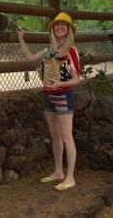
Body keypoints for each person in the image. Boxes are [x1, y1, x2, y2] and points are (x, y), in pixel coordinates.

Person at [17, 12, 80, 191]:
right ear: (53, 28)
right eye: (57, 25)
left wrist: (61, 83)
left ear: (68, 30)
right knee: (55, 135)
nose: (60, 27)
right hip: (48, 96)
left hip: (63, 96)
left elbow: (76, 80)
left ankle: (70, 177)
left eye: (64, 25)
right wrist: (21, 39)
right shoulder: (49, 49)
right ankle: (58, 171)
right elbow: (30, 59)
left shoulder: (70, 51)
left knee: (67, 137)